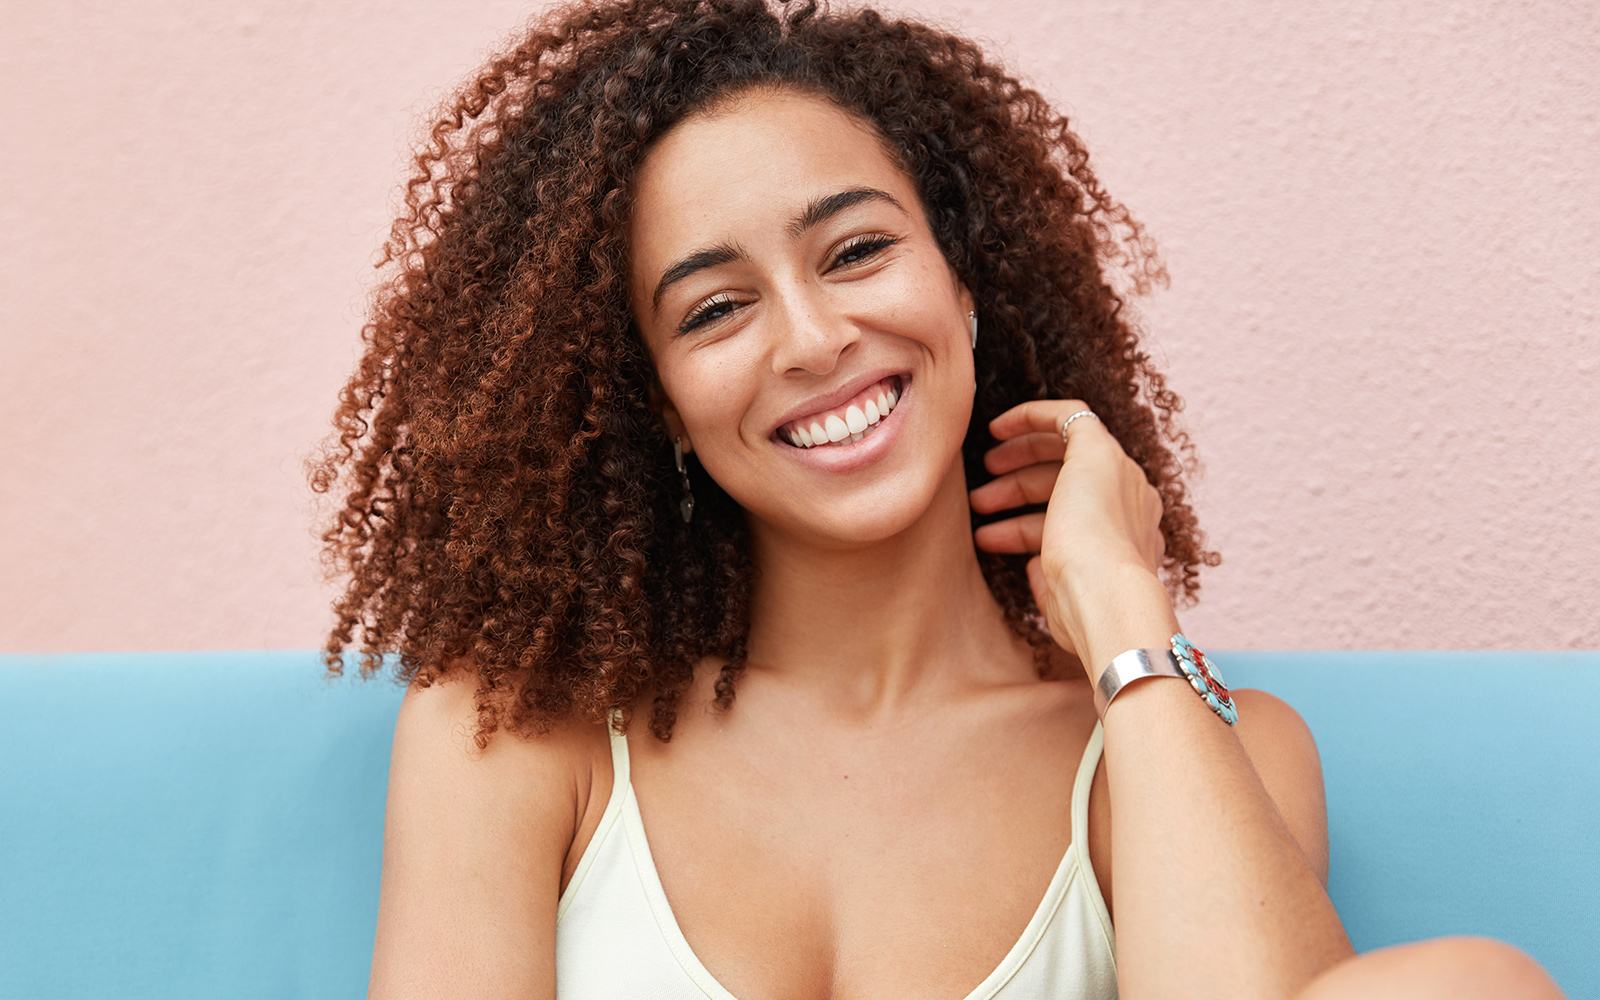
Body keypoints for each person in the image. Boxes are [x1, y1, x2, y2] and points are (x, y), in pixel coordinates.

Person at [310, 1, 1565, 996]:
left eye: (857, 250)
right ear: (656, 406)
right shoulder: (520, 737)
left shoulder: (1187, 741)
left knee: (1465, 987)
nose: (811, 338)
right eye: (714, 307)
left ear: (964, 289)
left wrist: (1128, 619)